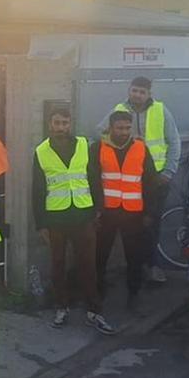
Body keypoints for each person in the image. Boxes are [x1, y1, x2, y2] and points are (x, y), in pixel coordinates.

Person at [35, 108, 116, 335]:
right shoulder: (41, 151)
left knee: (88, 265)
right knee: (58, 265)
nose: (61, 127)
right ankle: (61, 307)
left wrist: (98, 208)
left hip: (83, 214)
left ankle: (94, 310)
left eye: (65, 123)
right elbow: (38, 189)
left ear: (70, 124)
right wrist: (40, 223)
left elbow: (93, 177)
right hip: (56, 217)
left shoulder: (83, 145)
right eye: (57, 123)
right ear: (50, 124)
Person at [96, 76, 182, 284]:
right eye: (134, 90)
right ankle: (132, 271)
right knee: (129, 230)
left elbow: (174, 141)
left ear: (149, 93)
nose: (138, 95)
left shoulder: (161, 110)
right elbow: (98, 132)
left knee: (152, 225)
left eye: (142, 92)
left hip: (156, 180)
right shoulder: (119, 109)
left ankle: (152, 267)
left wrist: (168, 173)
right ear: (129, 90)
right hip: (129, 181)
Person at [92, 110, 164, 309]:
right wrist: (95, 211)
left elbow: (150, 182)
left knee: (134, 257)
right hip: (107, 213)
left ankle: (134, 295)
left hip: (134, 213)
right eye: (119, 128)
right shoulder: (98, 148)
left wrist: (150, 212)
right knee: (100, 255)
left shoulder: (141, 148)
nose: (124, 132)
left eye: (127, 128)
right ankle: (97, 294)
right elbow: (92, 180)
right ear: (111, 128)